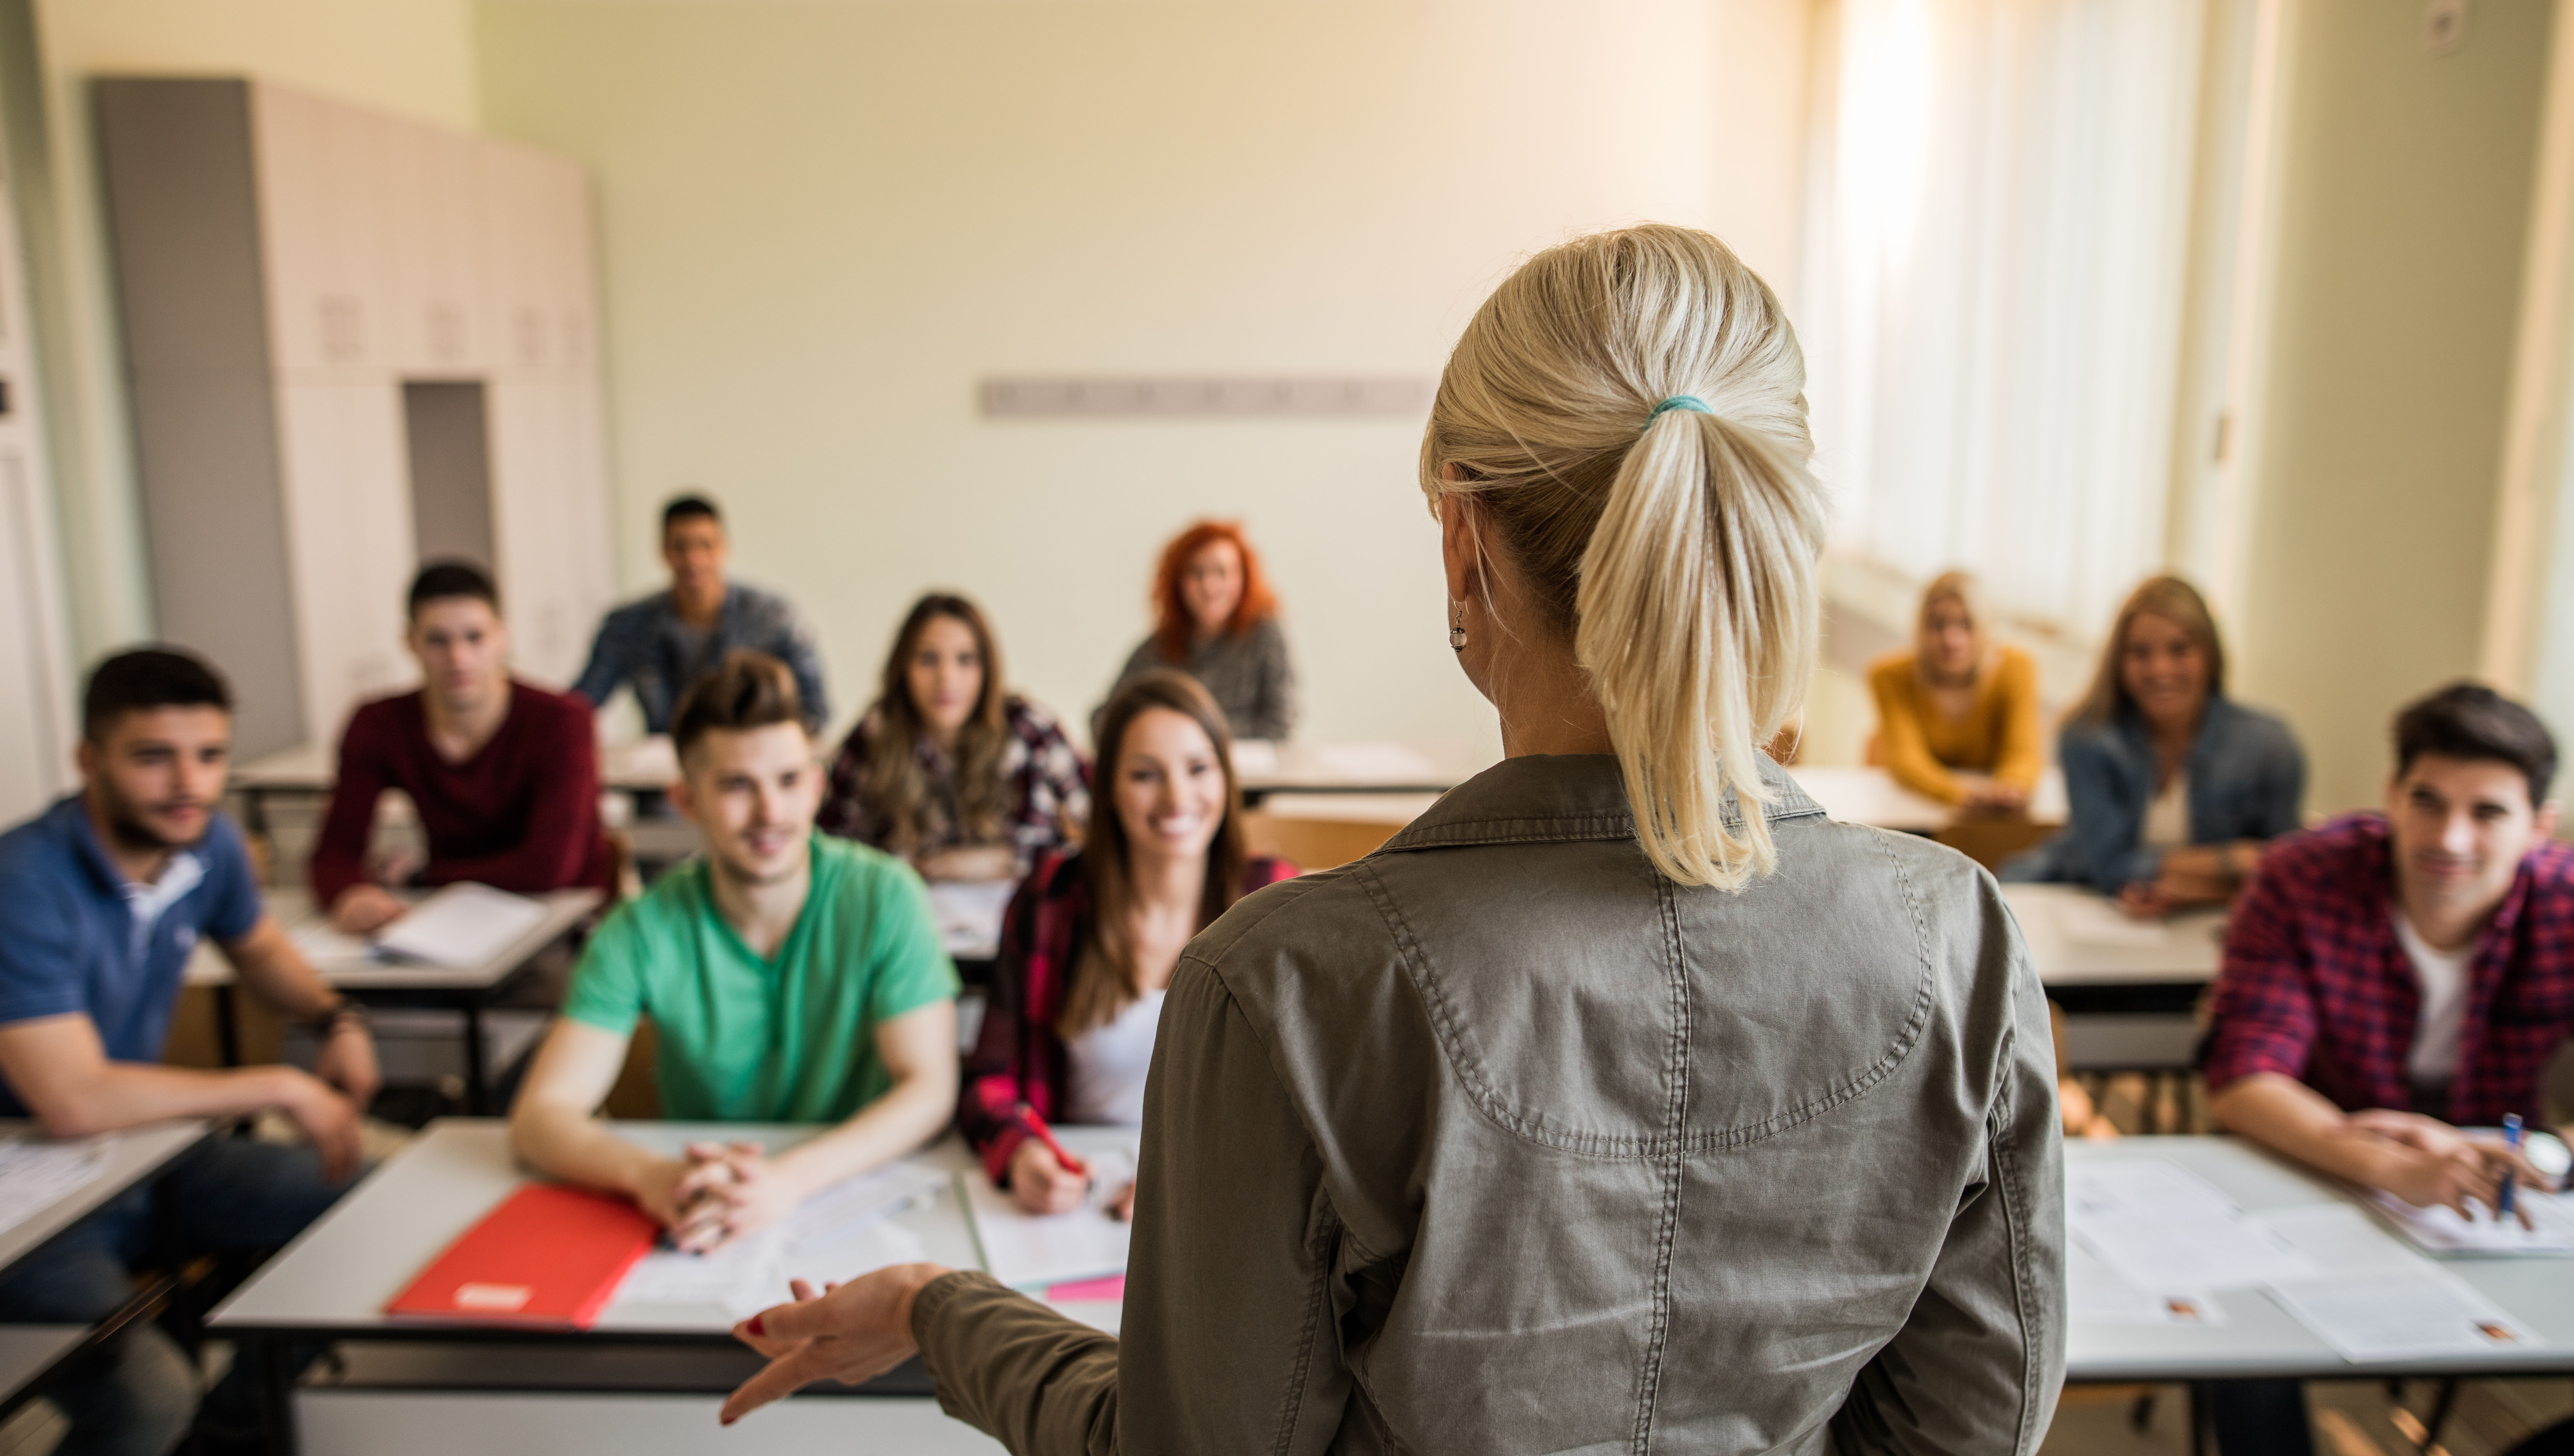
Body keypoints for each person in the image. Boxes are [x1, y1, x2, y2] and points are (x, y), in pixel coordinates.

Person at [717, 224, 2062, 1451]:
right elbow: (1973, 1426)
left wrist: (947, 1314)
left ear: (1463, 545)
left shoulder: (1284, 983)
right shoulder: (1962, 941)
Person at [0, 648, 380, 1456]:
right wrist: (277, 1084)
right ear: (88, 761)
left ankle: (224, 1437)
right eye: (153, 758)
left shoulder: (206, 846)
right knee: (145, 1396)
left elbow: (261, 950)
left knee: (370, 1202)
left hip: (142, 1160)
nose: (188, 784)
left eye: (209, 757)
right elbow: (70, 1097)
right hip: (28, 1206)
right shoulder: (23, 881)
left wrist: (334, 1016)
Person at [2200, 684, 2574, 1456]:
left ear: (2539, 828)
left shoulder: (2573, 903)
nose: (2449, 837)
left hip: (2496, 1181)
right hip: (2317, 1158)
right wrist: (2384, 1161)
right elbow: (2245, 1076)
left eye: (2487, 812)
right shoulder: (2302, 876)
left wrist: (2546, 1153)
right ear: (2390, 796)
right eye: (2427, 800)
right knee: (2238, 1344)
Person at [511, 652, 958, 1251]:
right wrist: (648, 1175)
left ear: (817, 785)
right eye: (737, 786)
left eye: (789, 780)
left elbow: (929, 1088)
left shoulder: (884, 895)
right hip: (705, 1206)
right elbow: (541, 1116)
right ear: (687, 802)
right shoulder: (642, 928)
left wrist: (786, 1181)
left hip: (850, 1198)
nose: (771, 812)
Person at [960, 670, 1298, 1219]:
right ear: (1108, 789)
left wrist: (1196, 1175)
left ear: (1226, 778)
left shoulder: (1277, 899)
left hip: (1228, 1206)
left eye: (1197, 769)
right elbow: (989, 1078)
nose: (1176, 797)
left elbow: (1313, 1105)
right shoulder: (1049, 900)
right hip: (1080, 1203)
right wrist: (1021, 1151)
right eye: (1145, 774)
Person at [309, 561, 613, 935]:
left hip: (560, 919)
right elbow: (334, 851)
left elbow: (548, 868)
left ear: (502, 637)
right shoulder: (378, 723)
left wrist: (422, 875)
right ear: (410, 642)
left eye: (475, 638)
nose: (458, 658)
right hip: (447, 917)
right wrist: (350, 894)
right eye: (438, 640)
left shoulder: (563, 721)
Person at [2003, 574, 2304, 915]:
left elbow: (2282, 874)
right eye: (2140, 652)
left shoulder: (2269, 747)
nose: (2160, 668)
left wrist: (2191, 892)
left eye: (2180, 649)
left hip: (2209, 925)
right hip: (2077, 897)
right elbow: (2106, 864)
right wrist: (2230, 860)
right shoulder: (2086, 736)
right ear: (2118, 661)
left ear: (2210, 653)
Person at [817, 594, 1088, 884]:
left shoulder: (1032, 732)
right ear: (903, 668)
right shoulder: (875, 734)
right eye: (928, 659)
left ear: (987, 670)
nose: (946, 678)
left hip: (1020, 908)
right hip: (911, 910)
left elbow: (1093, 831)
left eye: (965, 660)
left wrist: (997, 861)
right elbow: (834, 846)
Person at [571, 494, 831, 735]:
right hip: (662, 772)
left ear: (724, 548)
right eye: (680, 547)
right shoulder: (628, 625)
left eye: (706, 546)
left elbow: (815, 710)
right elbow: (581, 705)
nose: (694, 560)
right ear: (663, 551)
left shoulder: (772, 618)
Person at [1865, 570, 2041, 812]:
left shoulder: (2017, 670)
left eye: (1966, 625)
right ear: (1920, 628)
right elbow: (1907, 760)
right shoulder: (1888, 676)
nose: (1951, 639)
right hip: (1912, 807)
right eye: (1938, 625)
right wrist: (1960, 793)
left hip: (1981, 813)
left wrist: (2011, 788)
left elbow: (2022, 753)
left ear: (1985, 629)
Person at [1106, 520, 1296, 742]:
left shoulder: (1265, 638)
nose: (1209, 586)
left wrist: (1186, 732)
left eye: (1222, 572)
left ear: (1243, 579)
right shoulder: (1157, 649)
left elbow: (1281, 722)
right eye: (1196, 573)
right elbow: (1105, 719)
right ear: (1178, 582)